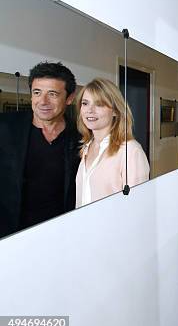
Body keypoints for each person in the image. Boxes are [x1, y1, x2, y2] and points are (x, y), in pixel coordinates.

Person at [0, 61, 80, 238]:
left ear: (69, 98)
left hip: (60, 234)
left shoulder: (80, 137)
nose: (43, 101)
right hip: (10, 234)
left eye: (52, 94)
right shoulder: (5, 127)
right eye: (37, 92)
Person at [75, 78, 149, 207]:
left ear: (115, 110)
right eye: (85, 103)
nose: (89, 110)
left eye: (99, 104)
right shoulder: (86, 147)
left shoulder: (130, 151)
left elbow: (138, 207)